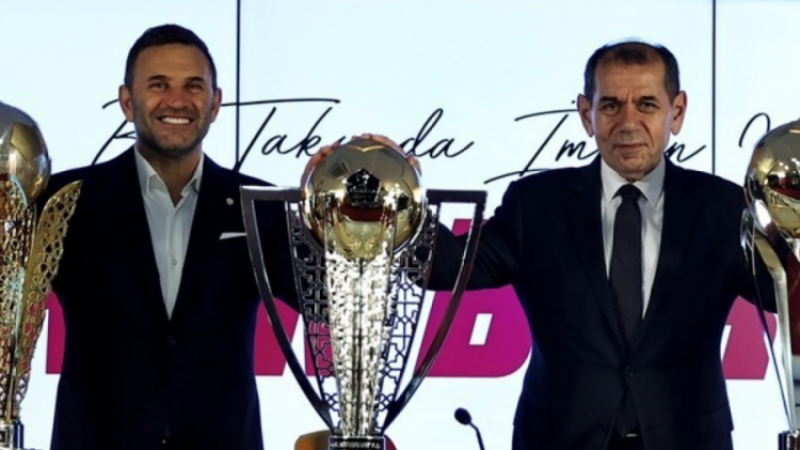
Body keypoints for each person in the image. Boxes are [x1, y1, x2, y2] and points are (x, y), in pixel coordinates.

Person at [312, 41, 775, 450]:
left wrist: (789, 223)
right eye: (611, 105)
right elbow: (446, 268)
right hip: (559, 439)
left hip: (688, 440)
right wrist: (392, 199)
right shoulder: (536, 204)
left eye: (647, 104)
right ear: (586, 114)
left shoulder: (722, 208)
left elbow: (782, 297)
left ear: (677, 111)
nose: (628, 123)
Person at [39, 24, 298, 450]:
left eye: (193, 86)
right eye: (158, 84)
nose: (177, 100)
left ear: (215, 103)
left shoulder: (259, 204)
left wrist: (351, 214)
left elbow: (331, 303)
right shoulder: (65, 201)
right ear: (127, 102)